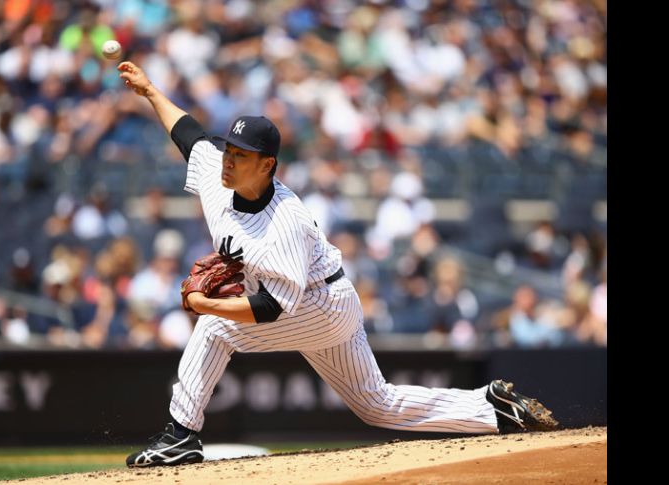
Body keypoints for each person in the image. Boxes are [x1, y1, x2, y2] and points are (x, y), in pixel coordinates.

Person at [117, 61, 559, 468]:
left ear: (267, 164)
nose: (229, 160)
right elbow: (189, 134)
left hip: (319, 304)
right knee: (375, 405)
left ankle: (180, 435)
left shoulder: (284, 221)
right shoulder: (220, 175)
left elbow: (271, 309)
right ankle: (491, 407)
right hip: (323, 299)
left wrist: (204, 305)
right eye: (229, 149)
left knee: (215, 329)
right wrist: (151, 90)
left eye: (241, 155)